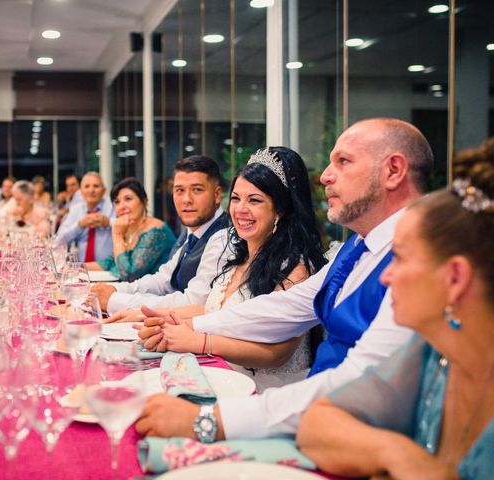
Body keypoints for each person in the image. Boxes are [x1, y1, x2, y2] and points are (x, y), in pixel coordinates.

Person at [135, 117, 432, 442]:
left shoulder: (423, 257)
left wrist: (208, 421)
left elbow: (361, 381)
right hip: (314, 420)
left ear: (394, 171)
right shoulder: (358, 246)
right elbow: (286, 307)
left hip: (351, 436)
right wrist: (184, 325)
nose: (326, 177)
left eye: (343, 162)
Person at [297, 142, 494, 480]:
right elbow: (316, 422)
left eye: (400, 257)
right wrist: (397, 454)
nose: (386, 275)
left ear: (455, 278)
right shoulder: (436, 354)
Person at [133, 148, 327, 391]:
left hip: (264, 392)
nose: (240, 209)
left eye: (254, 200)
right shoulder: (239, 256)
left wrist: (199, 341)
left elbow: (278, 353)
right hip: (219, 375)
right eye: (236, 198)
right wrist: (159, 318)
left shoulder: (295, 268)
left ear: (280, 209)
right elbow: (217, 310)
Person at [91, 155, 228, 316]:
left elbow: (193, 303)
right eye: (179, 190)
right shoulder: (194, 230)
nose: (186, 200)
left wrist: (115, 299)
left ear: (217, 195)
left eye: (197, 190)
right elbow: (163, 280)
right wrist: (114, 289)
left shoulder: (223, 236)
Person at [88, 177, 176, 281]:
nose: (122, 206)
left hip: (158, 294)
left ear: (144, 202)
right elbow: (109, 262)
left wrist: (117, 236)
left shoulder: (155, 231)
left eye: (128, 199)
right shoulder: (129, 229)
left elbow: (129, 274)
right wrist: (75, 267)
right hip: (133, 292)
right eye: (117, 202)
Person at [56, 172, 115, 262]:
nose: (91, 190)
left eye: (96, 186)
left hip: (108, 268)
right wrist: (79, 225)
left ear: (104, 190)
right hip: (82, 269)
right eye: (87, 186)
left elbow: (128, 225)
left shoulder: (113, 206)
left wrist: (109, 222)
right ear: (81, 191)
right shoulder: (76, 209)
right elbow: (59, 240)